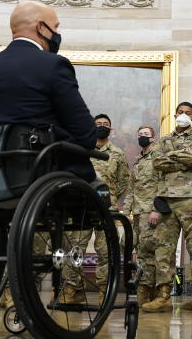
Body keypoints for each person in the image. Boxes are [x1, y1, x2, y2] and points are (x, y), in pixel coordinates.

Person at [0, 1, 97, 180]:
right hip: (40, 174)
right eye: (55, 28)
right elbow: (86, 135)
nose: (57, 34)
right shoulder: (53, 64)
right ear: (41, 27)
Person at [142, 102, 192, 314]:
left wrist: (172, 158)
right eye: (180, 112)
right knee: (164, 249)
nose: (183, 116)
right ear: (174, 115)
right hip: (166, 200)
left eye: (188, 113)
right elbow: (156, 163)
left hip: (190, 197)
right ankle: (163, 296)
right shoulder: (163, 140)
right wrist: (182, 160)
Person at [61, 114, 129, 302]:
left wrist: (111, 195)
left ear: (111, 129)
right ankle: (73, 290)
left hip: (107, 208)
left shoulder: (117, 153)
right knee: (74, 249)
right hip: (81, 206)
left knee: (106, 251)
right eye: (98, 124)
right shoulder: (80, 150)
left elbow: (123, 181)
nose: (101, 126)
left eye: (105, 124)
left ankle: (104, 293)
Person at [123, 125, 158, 306]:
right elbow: (131, 190)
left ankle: (147, 291)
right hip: (136, 213)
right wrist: (126, 212)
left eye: (146, 134)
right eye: (140, 134)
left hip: (149, 212)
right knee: (135, 251)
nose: (142, 137)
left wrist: (156, 209)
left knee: (147, 254)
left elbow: (163, 186)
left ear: (153, 138)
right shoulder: (138, 162)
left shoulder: (157, 158)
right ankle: (141, 289)